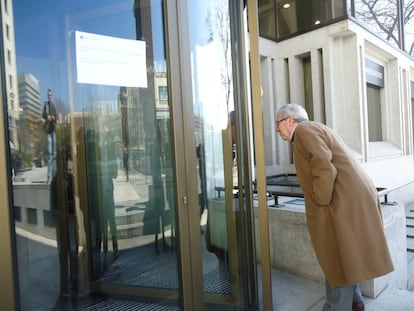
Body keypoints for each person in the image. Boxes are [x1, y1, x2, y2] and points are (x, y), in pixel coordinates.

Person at [275, 103, 394, 311]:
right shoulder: (316, 128)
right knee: (347, 253)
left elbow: (324, 167)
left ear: (289, 120)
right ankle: (355, 300)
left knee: (337, 256)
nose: (277, 129)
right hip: (351, 197)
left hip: (340, 201)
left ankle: (336, 306)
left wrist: (320, 201)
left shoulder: (303, 131)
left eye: (278, 123)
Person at [42, 89, 57, 183]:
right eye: (48, 95)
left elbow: (56, 117)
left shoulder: (53, 105)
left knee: (54, 153)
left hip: (53, 130)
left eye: (51, 95)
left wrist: (53, 117)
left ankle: (54, 174)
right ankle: (49, 175)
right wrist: (47, 116)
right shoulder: (46, 105)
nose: (49, 96)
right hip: (48, 131)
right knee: (50, 153)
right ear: (47, 95)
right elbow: (43, 114)